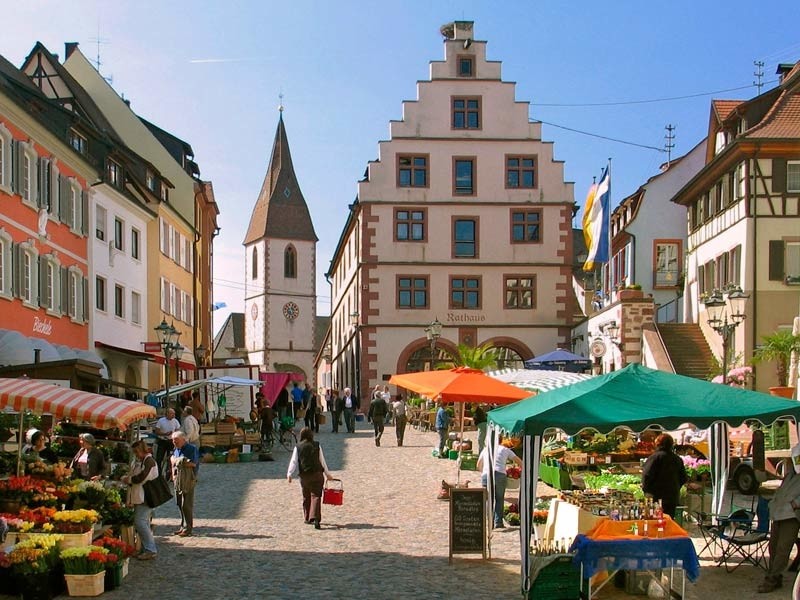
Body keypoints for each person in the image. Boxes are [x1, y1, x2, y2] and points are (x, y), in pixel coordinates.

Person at [757, 445, 800, 593]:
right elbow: (781, 491)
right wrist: (773, 503)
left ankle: (772, 579)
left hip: (792, 515)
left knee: (783, 548)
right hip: (778, 513)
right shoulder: (790, 474)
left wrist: (796, 504)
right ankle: (776, 576)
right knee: (773, 547)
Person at [287, 427, 335, 529]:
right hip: (317, 474)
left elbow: (294, 461)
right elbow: (322, 461)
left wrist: (289, 473)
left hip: (304, 475)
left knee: (306, 496)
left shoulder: (298, 447)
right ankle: (316, 518)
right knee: (316, 496)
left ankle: (307, 517)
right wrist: (327, 474)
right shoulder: (317, 445)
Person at [122, 440, 159, 560]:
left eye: (136, 452)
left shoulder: (149, 461)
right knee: (144, 523)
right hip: (141, 496)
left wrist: (129, 479)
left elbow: (142, 478)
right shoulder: (144, 461)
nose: (136, 455)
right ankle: (145, 548)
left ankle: (150, 549)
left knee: (140, 522)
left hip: (146, 497)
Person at [477, 438, 523, 529]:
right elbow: (519, 461)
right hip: (500, 475)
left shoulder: (486, 450)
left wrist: (483, 472)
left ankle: (489, 522)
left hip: (486, 475)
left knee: (488, 499)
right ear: (501, 440)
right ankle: (498, 522)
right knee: (499, 498)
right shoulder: (504, 449)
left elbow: (478, 465)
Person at [641, 433, 687, 518]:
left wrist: (646, 490)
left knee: (655, 520)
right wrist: (675, 487)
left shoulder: (655, 457)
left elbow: (647, 475)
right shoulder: (677, 459)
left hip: (656, 496)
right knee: (668, 520)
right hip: (672, 496)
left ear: (658, 444)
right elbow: (683, 478)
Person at [170, 431, 199, 537]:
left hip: (188, 479)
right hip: (178, 479)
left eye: (176, 441)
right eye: (173, 441)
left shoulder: (191, 449)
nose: (174, 442)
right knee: (179, 503)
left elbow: (193, 463)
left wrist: (177, 461)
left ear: (183, 440)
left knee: (186, 504)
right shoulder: (176, 448)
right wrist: (173, 474)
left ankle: (188, 528)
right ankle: (183, 526)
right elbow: (172, 462)